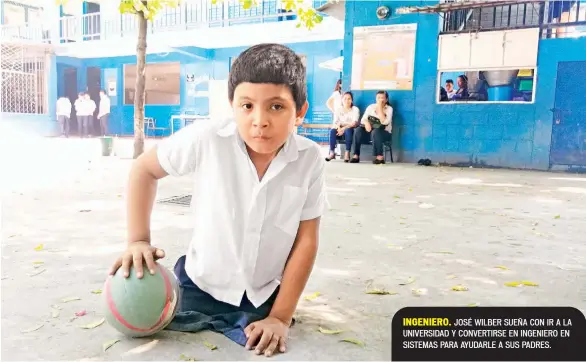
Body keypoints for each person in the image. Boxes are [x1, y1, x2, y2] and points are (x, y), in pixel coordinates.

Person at [108, 43, 326, 357]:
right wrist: (138, 240)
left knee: (264, 343)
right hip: (199, 285)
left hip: (263, 295)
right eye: (247, 105)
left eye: (276, 107)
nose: (260, 120)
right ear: (232, 105)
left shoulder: (309, 159)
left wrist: (280, 316)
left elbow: (307, 240)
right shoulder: (208, 138)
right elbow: (144, 169)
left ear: (300, 112)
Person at [350, 90, 393, 165]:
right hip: (370, 131)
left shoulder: (389, 109)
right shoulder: (371, 107)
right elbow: (363, 119)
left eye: (382, 98)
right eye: (378, 98)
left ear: (386, 100)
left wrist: (379, 107)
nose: (380, 100)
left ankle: (380, 157)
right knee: (358, 130)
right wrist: (366, 123)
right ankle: (356, 155)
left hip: (384, 133)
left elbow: (385, 122)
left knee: (376, 132)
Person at [325, 91, 359, 162]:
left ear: (352, 100)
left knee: (348, 130)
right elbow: (336, 121)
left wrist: (343, 128)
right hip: (339, 129)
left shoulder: (355, 109)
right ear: (342, 100)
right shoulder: (338, 109)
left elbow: (354, 123)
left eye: (349, 99)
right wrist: (339, 128)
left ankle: (347, 153)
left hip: (350, 130)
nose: (347, 100)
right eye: (345, 98)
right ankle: (332, 153)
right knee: (332, 131)